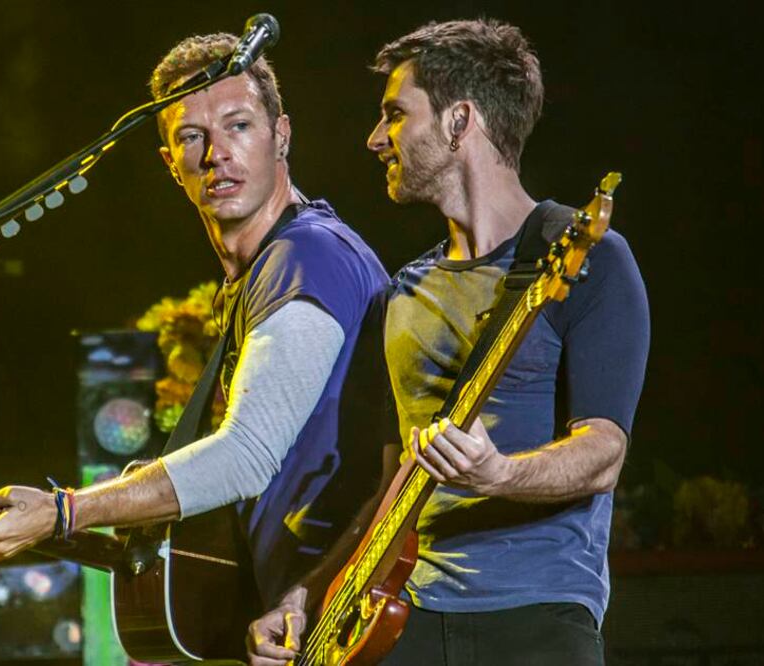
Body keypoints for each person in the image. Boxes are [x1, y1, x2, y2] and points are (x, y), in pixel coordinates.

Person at [0, 32, 391, 611]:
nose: (216, 153)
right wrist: (48, 526)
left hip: (348, 611)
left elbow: (246, 457)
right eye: (191, 136)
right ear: (171, 165)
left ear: (282, 136)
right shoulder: (257, 273)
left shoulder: (306, 258)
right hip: (301, 614)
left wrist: (65, 511)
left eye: (239, 126)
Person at [247, 18, 649, 666]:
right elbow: (391, 490)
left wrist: (497, 473)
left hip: (537, 618)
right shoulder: (399, 294)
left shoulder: (583, 258)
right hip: (403, 618)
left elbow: (603, 453)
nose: (375, 138)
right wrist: (306, 595)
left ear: (459, 121)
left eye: (394, 115)